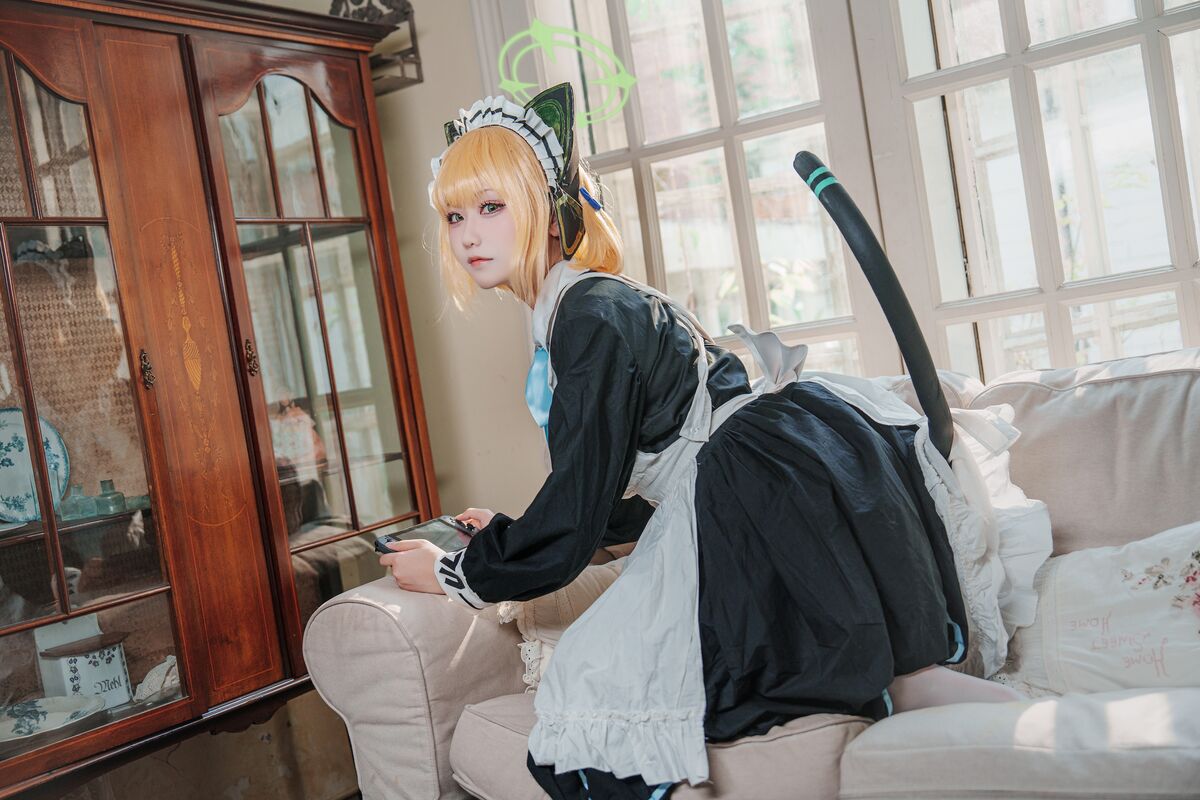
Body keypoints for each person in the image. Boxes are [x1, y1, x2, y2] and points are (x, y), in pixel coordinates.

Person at [379, 82, 1023, 799]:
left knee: (595, 682)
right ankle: (1049, 739)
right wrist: (508, 533)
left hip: (755, 494)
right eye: (454, 215)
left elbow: (581, 508)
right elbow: (617, 490)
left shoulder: (587, 318)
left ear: (550, 212)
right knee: (905, 683)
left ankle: (1062, 745)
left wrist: (457, 573)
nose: (468, 234)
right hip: (774, 472)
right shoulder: (591, 304)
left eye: (491, 207)